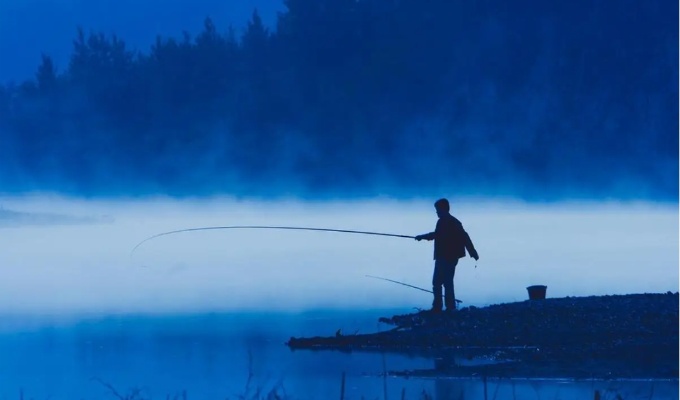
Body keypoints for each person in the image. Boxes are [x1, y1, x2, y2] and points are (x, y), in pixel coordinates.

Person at [415, 198, 479, 312]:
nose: (437, 213)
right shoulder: (453, 221)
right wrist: (472, 252)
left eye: (438, 210)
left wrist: (422, 237)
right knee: (447, 282)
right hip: (451, 257)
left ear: (444, 209)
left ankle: (438, 307)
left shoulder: (445, 221)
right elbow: (465, 236)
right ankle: (450, 307)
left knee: (437, 282)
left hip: (444, 256)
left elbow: (437, 235)